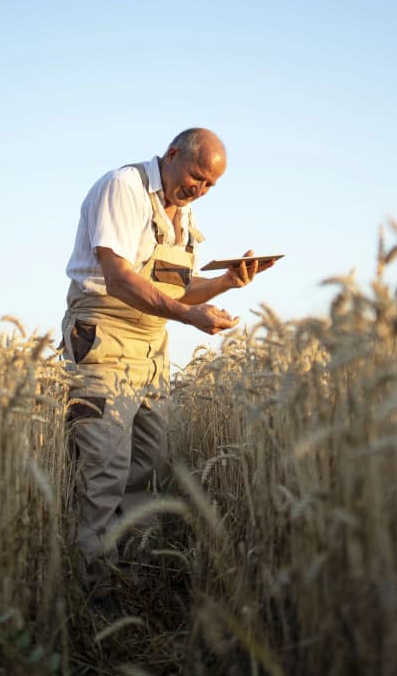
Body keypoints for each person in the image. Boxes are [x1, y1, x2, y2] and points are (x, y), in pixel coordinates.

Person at [60, 127, 272, 606]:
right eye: (197, 177)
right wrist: (189, 318)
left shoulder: (183, 213)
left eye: (211, 185)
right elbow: (119, 278)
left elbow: (176, 290)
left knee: (147, 466)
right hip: (104, 337)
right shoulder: (125, 187)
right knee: (104, 469)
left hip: (152, 345)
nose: (201, 190)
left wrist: (224, 283)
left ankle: (136, 585)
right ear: (173, 154)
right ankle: (95, 596)